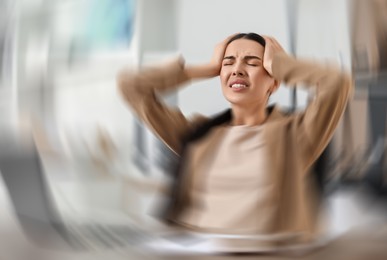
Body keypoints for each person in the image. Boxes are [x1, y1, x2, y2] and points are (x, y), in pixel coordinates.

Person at [116, 33, 353, 252]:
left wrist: (280, 64)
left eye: (252, 63)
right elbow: (131, 86)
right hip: (193, 251)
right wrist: (203, 69)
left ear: (274, 82)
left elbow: (336, 83)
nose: (237, 69)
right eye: (228, 62)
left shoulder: (296, 136)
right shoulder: (196, 134)